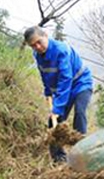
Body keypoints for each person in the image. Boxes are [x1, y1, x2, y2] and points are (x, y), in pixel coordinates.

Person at [24, 25, 93, 162]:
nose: (37, 47)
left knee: (79, 112)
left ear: (45, 36)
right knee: (53, 121)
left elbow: (65, 79)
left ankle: (81, 150)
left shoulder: (61, 50)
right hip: (64, 87)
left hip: (80, 83)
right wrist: (48, 92)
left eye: (39, 42)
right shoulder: (38, 55)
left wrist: (58, 107)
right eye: (33, 46)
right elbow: (45, 74)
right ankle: (59, 158)